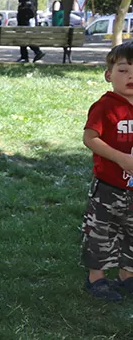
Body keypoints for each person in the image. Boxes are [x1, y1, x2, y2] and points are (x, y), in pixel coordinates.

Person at [81, 41, 133, 301]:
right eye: (123, 70)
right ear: (109, 75)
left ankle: (127, 275)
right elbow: (90, 138)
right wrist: (121, 159)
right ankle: (96, 279)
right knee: (101, 233)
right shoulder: (106, 106)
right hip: (109, 187)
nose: (131, 76)